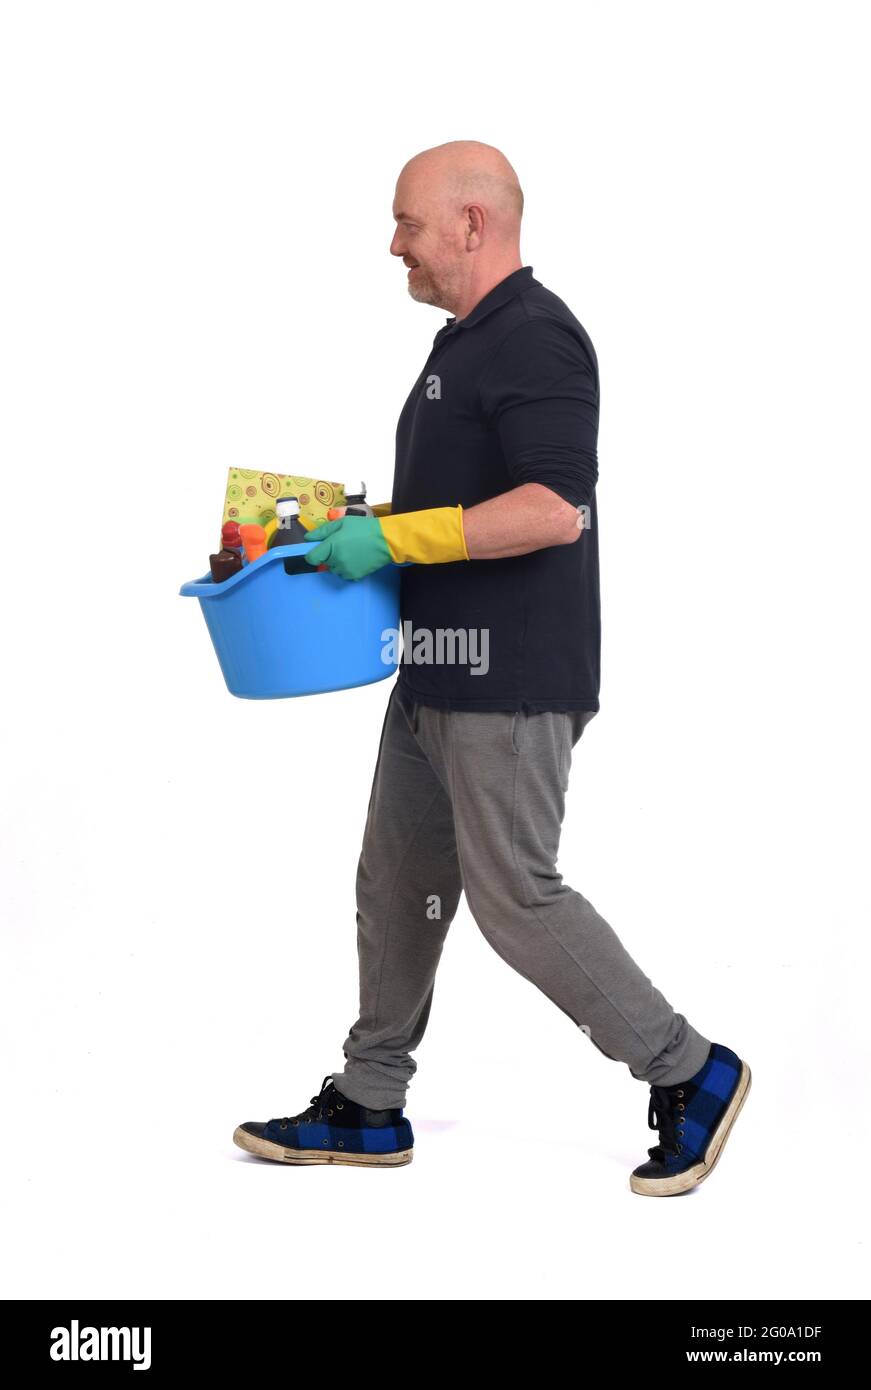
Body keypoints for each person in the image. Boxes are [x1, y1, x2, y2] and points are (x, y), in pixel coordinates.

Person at [233, 141, 751, 1195]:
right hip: (431, 675)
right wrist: (350, 528)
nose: (395, 246)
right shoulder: (461, 346)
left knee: (517, 897)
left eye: (407, 223)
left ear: (472, 223)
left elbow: (552, 508)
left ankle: (690, 1070)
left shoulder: (538, 339)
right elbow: (459, 505)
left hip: (510, 679)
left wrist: (394, 540)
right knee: (399, 882)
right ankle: (371, 1099)